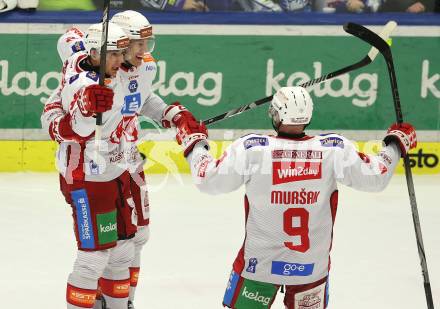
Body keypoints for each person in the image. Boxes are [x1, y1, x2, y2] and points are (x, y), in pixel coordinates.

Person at [175, 86, 417, 308]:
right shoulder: (334, 149)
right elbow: (375, 177)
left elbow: (208, 180)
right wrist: (395, 144)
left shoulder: (252, 148)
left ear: (277, 116)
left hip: (258, 266)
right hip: (310, 269)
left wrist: (196, 144)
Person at [42, 12, 199, 309]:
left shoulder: (144, 66)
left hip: (126, 165)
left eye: (147, 43)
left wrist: (172, 115)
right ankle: (97, 297)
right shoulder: (82, 74)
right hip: (87, 173)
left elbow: (142, 98)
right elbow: (56, 116)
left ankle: (124, 302)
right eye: (138, 44)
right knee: (96, 255)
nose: (145, 52)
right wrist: (84, 110)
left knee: (135, 240)